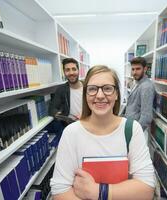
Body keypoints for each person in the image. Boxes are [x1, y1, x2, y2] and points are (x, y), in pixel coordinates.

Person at [51, 65, 155, 200]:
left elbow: (147, 190)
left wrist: (99, 192)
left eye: (107, 88)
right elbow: (60, 191)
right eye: (92, 89)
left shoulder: (132, 129)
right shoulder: (71, 133)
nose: (100, 96)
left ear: (117, 94)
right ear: (85, 94)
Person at [124, 57, 155, 132]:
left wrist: (135, 133)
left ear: (145, 69)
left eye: (138, 69)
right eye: (133, 69)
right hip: (129, 124)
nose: (134, 72)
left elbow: (146, 117)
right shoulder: (137, 82)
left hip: (134, 129)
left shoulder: (146, 87)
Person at [49, 58, 83, 123]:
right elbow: (52, 108)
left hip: (87, 123)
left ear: (78, 71)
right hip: (70, 125)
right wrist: (61, 116)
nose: (71, 73)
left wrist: (85, 115)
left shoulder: (88, 88)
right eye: (67, 70)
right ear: (64, 73)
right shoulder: (61, 89)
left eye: (74, 69)